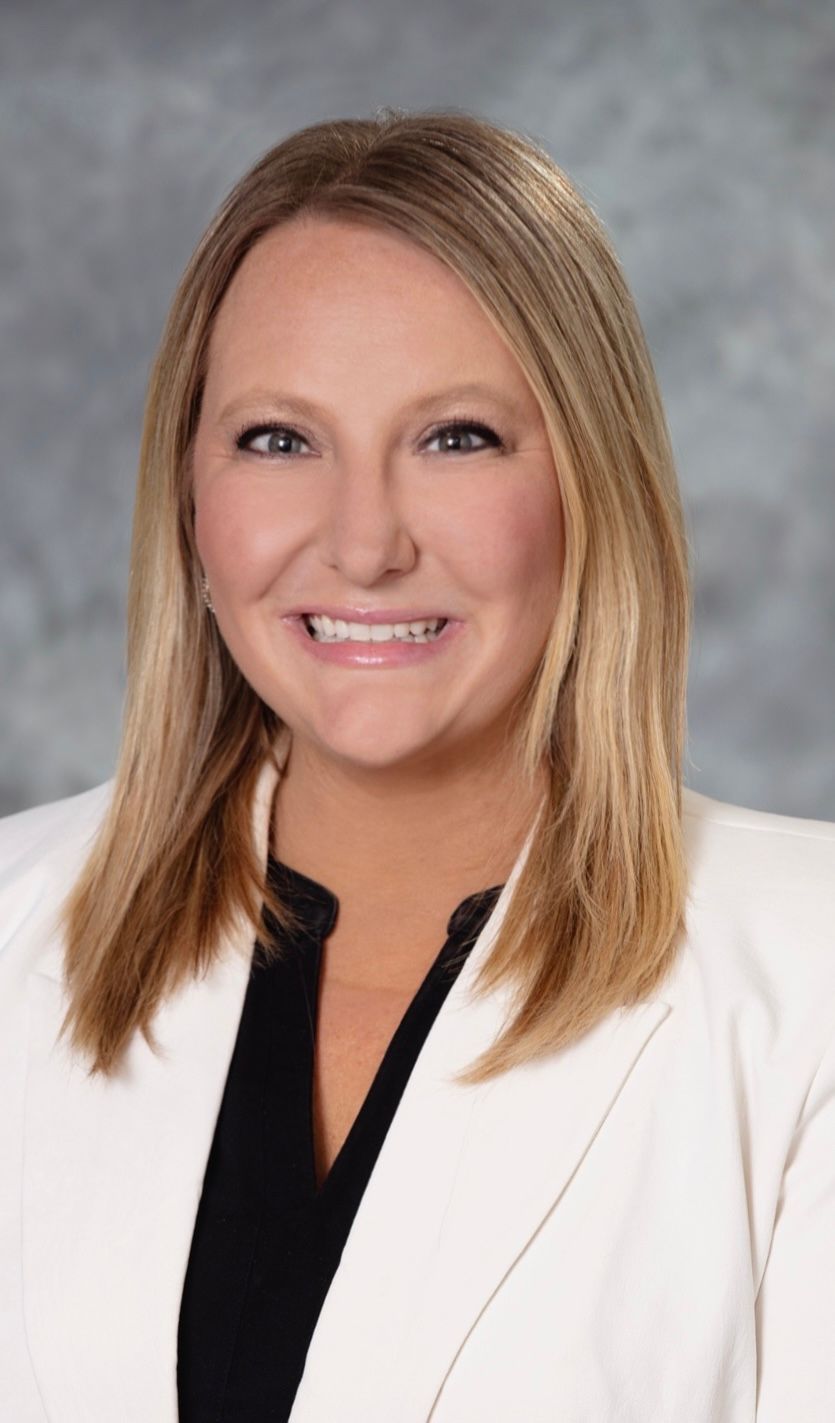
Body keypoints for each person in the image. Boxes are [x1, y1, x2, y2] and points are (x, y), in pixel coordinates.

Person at [1, 108, 833, 1423]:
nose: (365, 542)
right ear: (190, 500)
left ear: (590, 487)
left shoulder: (812, 982)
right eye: (280, 440)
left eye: (457, 438)